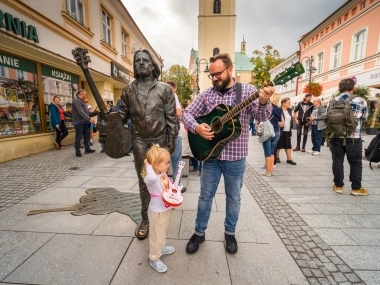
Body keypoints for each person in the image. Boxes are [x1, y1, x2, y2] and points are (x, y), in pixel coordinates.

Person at [182, 53, 274, 255]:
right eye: (211, 75)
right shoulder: (207, 95)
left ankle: (230, 233)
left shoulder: (247, 91)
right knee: (205, 196)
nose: (214, 78)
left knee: (233, 198)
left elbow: (262, 117)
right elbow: (186, 113)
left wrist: (265, 101)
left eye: (217, 74)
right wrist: (197, 128)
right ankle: (199, 232)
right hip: (210, 156)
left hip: (236, 157)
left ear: (230, 69)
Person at [118, 49, 177, 240]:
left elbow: (171, 119)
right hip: (139, 140)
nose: (141, 64)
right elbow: (121, 116)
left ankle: (162, 211)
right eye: (138, 61)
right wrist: (109, 124)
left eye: (145, 60)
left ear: (153, 65)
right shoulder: (128, 90)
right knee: (144, 181)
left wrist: (170, 144)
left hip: (159, 141)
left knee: (161, 180)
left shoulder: (164, 89)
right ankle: (145, 219)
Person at [328, 78, 368, 196]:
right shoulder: (361, 100)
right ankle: (356, 188)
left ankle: (338, 186)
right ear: (353, 88)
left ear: (340, 89)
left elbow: (328, 117)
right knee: (355, 162)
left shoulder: (333, 101)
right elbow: (364, 117)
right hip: (354, 137)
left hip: (336, 135)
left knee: (337, 160)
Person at [142, 145, 176, 273]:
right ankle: (154, 258)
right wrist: (148, 165)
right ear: (155, 165)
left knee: (162, 231)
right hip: (157, 212)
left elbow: (168, 186)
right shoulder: (151, 178)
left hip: (164, 209)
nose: (168, 165)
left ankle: (161, 247)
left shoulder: (162, 174)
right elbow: (150, 178)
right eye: (166, 163)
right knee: (156, 235)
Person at [166, 80, 186, 193]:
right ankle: (176, 186)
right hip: (173, 133)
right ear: (173, 88)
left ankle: (163, 187)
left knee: (161, 162)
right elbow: (179, 113)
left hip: (159, 133)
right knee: (177, 161)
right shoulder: (172, 95)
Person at [261, 93, 282, 176]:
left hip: (268, 132)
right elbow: (280, 120)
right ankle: (271, 170)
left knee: (267, 153)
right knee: (272, 152)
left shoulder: (267, 107)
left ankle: (268, 172)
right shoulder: (278, 109)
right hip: (277, 131)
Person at [71, 89, 96, 157]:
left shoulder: (82, 101)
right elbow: (80, 111)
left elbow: (86, 112)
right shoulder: (76, 100)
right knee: (78, 137)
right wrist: (89, 119)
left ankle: (87, 149)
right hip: (78, 122)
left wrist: (95, 112)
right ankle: (77, 151)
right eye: (85, 94)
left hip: (84, 122)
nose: (86, 96)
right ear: (82, 94)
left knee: (86, 136)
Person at [276, 97, 296, 165]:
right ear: (283, 103)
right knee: (278, 144)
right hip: (280, 129)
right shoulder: (279, 110)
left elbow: (291, 120)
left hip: (287, 130)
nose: (290, 104)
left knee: (288, 145)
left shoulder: (289, 110)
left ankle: (289, 159)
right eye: (288, 102)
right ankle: (277, 157)